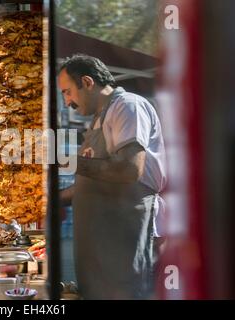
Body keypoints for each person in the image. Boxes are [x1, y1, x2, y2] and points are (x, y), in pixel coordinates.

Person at [58, 54, 167, 299]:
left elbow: (129, 170)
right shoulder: (99, 118)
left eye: (67, 92)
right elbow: (92, 183)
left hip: (124, 237)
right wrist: (52, 199)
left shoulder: (128, 106)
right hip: (102, 246)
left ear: (87, 82)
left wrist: (63, 160)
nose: (67, 102)